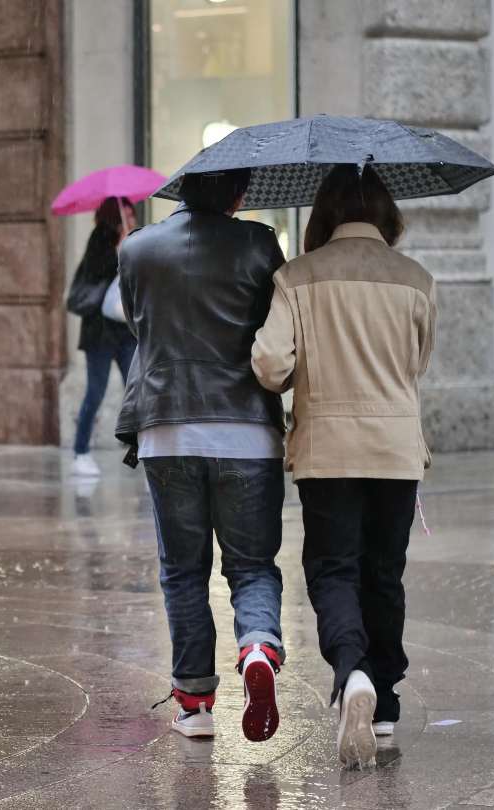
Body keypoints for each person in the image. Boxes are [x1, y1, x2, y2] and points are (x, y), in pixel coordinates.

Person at [251, 164, 436, 768]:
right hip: (396, 448)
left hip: (327, 450)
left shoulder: (296, 277)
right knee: (384, 573)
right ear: (388, 214)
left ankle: (352, 671)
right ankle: (383, 705)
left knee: (333, 570)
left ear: (323, 214)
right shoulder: (416, 279)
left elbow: (271, 366)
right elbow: (417, 364)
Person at [117, 170, 288, 742]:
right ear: (239, 196)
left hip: (166, 428)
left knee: (182, 571)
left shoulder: (137, 249)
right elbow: (273, 328)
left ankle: (194, 703)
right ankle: (259, 646)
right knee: (252, 565)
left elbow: (139, 324)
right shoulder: (260, 244)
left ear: (181, 192)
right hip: (246, 428)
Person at [69, 196, 138, 478]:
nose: (132, 220)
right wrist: (119, 252)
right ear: (115, 216)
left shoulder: (131, 242)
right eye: (129, 215)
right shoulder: (99, 240)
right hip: (99, 333)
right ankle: (80, 452)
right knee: (94, 393)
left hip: (124, 330)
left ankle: (140, 451)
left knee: (136, 390)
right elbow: (97, 271)